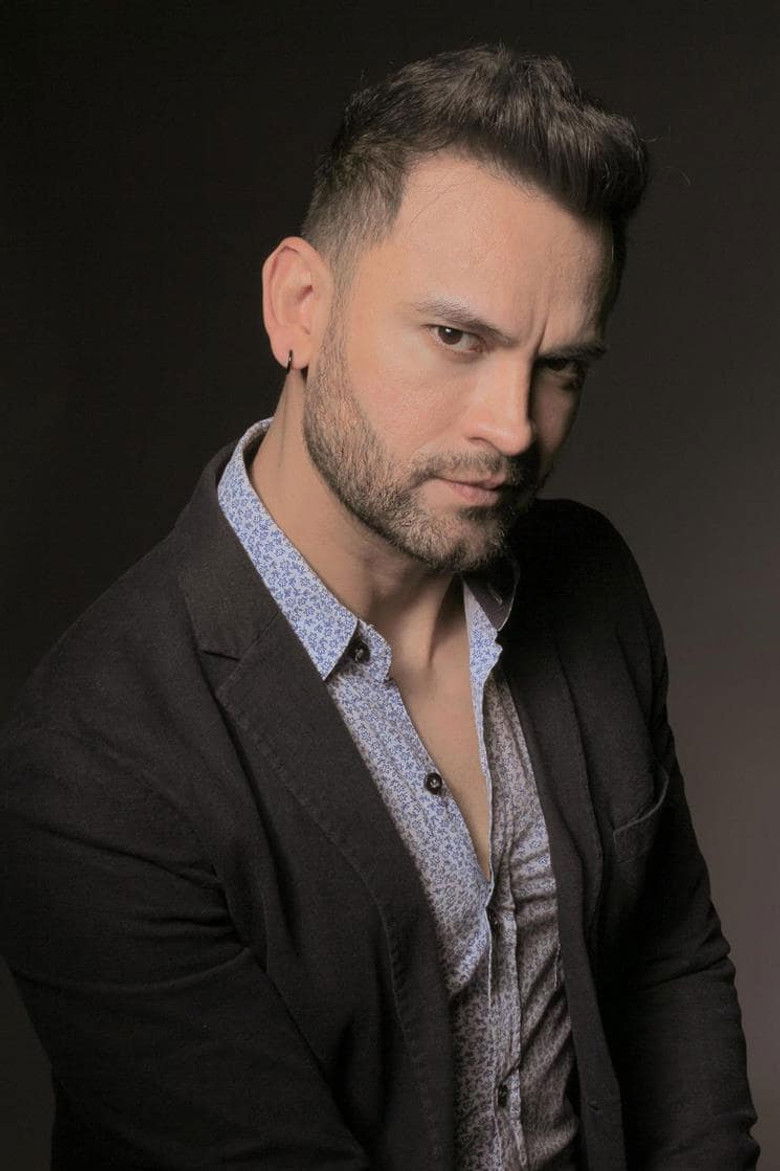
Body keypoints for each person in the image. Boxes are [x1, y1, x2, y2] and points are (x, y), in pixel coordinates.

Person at [0, 44, 758, 1171]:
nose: (514, 426)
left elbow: (665, 966)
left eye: (561, 367)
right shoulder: (94, 758)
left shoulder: (590, 586)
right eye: (457, 337)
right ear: (300, 308)